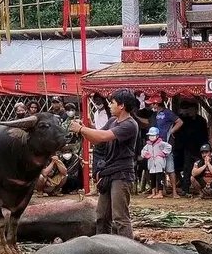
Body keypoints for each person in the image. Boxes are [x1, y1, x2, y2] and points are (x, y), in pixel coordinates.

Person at [68, 89, 138, 238]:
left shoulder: (130, 125)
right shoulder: (113, 121)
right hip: (108, 172)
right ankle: (103, 246)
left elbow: (104, 136)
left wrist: (82, 129)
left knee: (120, 217)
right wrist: (84, 131)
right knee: (101, 216)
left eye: (112, 102)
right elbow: (97, 140)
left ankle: (129, 252)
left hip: (121, 174)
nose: (110, 105)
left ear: (121, 106)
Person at [149, 94, 182, 198]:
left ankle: (174, 191)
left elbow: (179, 122)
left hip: (166, 144)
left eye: (152, 104)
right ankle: (160, 190)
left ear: (156, 104)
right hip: (156, 145)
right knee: (159, 168)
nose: (150, 106)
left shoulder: (167, 112)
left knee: (170, 168)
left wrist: (171, 131)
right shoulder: (154, 115)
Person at [140, 126, 172, 198]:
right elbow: (143, 151)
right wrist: (146, 154)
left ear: (157, 135)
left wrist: (163, 153)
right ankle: (153, 192)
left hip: (159, 164)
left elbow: (169, 147)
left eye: (153, 135)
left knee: (159, 179)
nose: (151, 137)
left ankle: (160, 193)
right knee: (152, 179)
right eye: (150, 135)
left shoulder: (161, 143)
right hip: (151, 164)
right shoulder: (148, 145)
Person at [91, 93, 111, 186]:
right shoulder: (95, 113)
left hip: (106, 140)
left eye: (99, 101)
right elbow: (96, 127)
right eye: (95, 101)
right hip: (97, 140)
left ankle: (104, 184)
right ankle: (96, 185)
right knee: (96, 165)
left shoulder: (108, 113)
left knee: (104, 165)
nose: (97, 103)